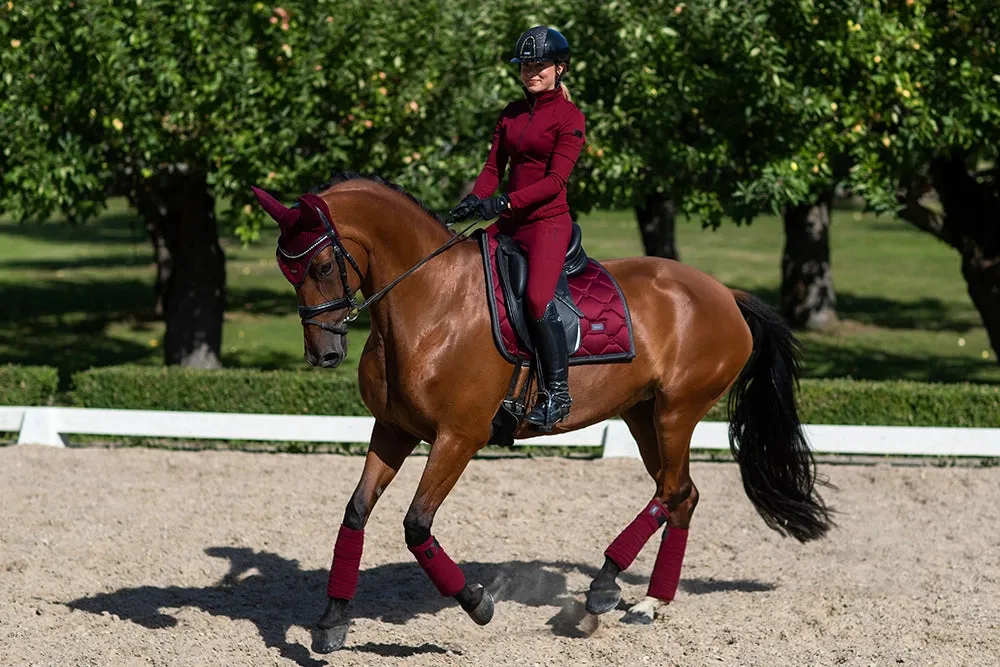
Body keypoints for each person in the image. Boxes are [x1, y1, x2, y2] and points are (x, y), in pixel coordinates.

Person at [449, 25, 586, 432]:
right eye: (526, 65)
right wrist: (475, 200)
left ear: (560, 68)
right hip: (508, 222)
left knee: (539, 299)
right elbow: (493, 168)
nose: (531, 72)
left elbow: (555, 182)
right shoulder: (510, 114)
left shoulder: (570, 118)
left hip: (546, 225)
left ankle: (557, 394)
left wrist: (505, 201)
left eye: (540, 65)